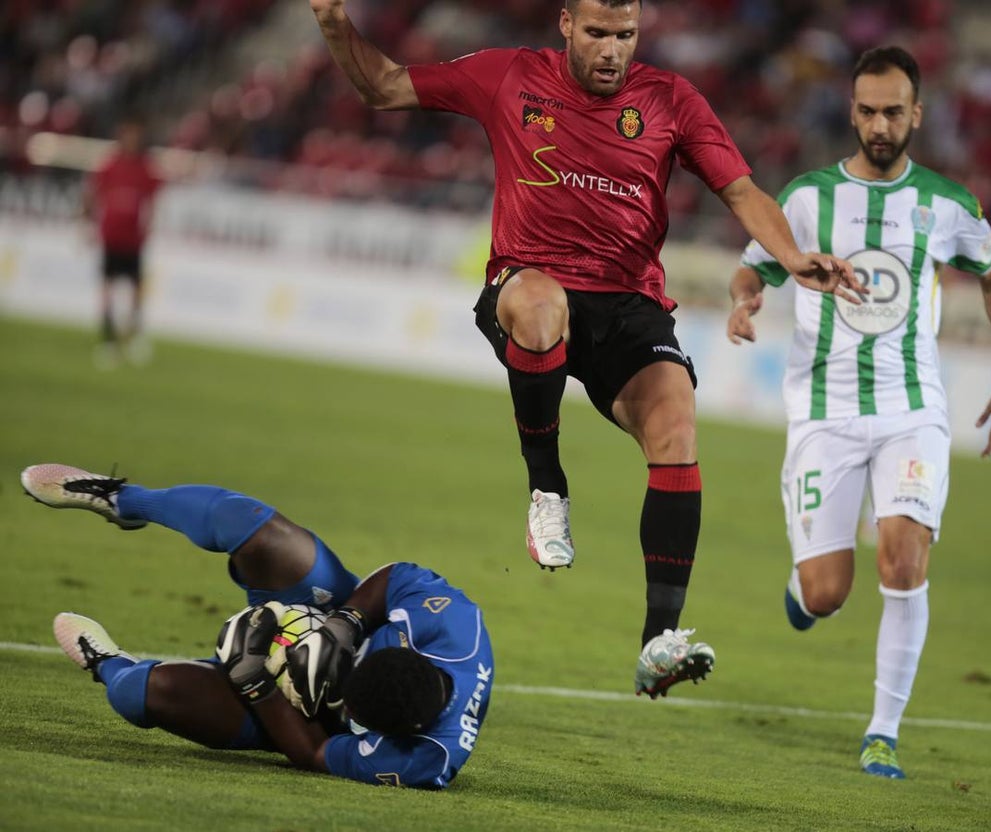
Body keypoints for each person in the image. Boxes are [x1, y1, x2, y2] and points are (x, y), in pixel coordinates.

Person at [307, 0, 862, 698]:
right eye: (598, 33)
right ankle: (547, 487)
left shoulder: (669, 101)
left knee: (677, 423)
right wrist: (334, 22)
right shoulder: (509, 76)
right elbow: (384, 86)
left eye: (625, 36)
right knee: (541, 309)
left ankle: (659, 639)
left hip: (628, 304)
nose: (611, 50)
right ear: (566, 23)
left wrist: (792, 255)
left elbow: (740, 188)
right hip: (529, 281)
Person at [727, 46, 991, 779]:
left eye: (894, 111)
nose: (880, 124)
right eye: (867, 110)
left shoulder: (949, 205)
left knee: (903, 557)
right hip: (824, 412)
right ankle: (806, 586)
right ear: (851, 111)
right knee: (828, 593)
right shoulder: (805, 199)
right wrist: (744, 298)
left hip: (911, 410)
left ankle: (882, 733)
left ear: (916, 114)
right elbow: (751, 264)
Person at [20, 463, 493, 789]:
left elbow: (312, 754)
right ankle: (122, 499)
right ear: (407, 653)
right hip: (336, 619)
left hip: (307, 719)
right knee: (251, 528)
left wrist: (255, 682)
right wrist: (347, 625)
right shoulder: (454, 626)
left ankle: (106, 662)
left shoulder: (423, 758)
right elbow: (397, 576)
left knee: (140, 693)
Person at [84, 119, 162, 368]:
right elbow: (92, 193)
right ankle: (108, 338)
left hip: (134, 238)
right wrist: (87, 225)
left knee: (136, 289)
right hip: (111, 235)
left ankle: (134, 335)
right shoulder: (110, 165)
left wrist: (150, 225)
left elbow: (153, 201)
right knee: (108, 288)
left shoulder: (145, 167)